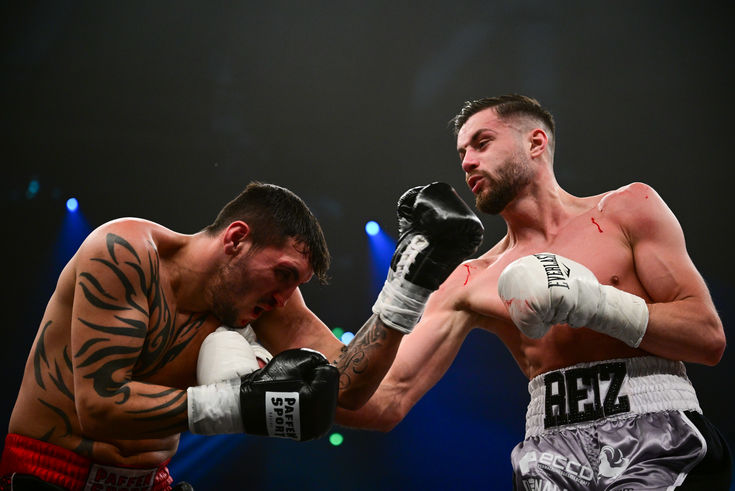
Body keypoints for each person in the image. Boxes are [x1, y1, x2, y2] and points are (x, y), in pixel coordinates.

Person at [337, 95, 731, 490]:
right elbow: (384, 400)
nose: (467, 162)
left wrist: (592, 302)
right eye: (462, 152)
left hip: (658, 433)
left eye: (482, 143)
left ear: (536, 142)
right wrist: (288, 392)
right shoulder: (470, 280)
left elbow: (707, 338)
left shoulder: (627, 210)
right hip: (549, 455)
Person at [0, 181, 484, 490]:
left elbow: (354, 394)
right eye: (283, 274)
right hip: (47, 472)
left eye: (295, 285)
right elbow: (99, 406)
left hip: (152, 482)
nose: (283, 298)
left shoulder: (265, 301)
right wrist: (239, 404)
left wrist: (408, 287)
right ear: (235, 239)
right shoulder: (125, 254)